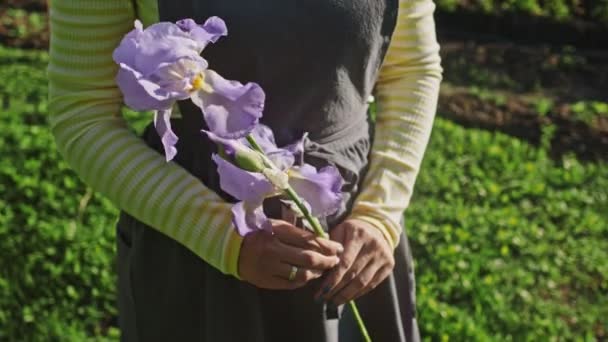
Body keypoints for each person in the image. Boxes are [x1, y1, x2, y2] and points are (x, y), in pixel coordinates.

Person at [48, 0, 442, 341]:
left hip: (352, 243)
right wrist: (220, 236)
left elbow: (411, 68)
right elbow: (83, 113)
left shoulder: (371, 221)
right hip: (198, 257)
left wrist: (379, 215)